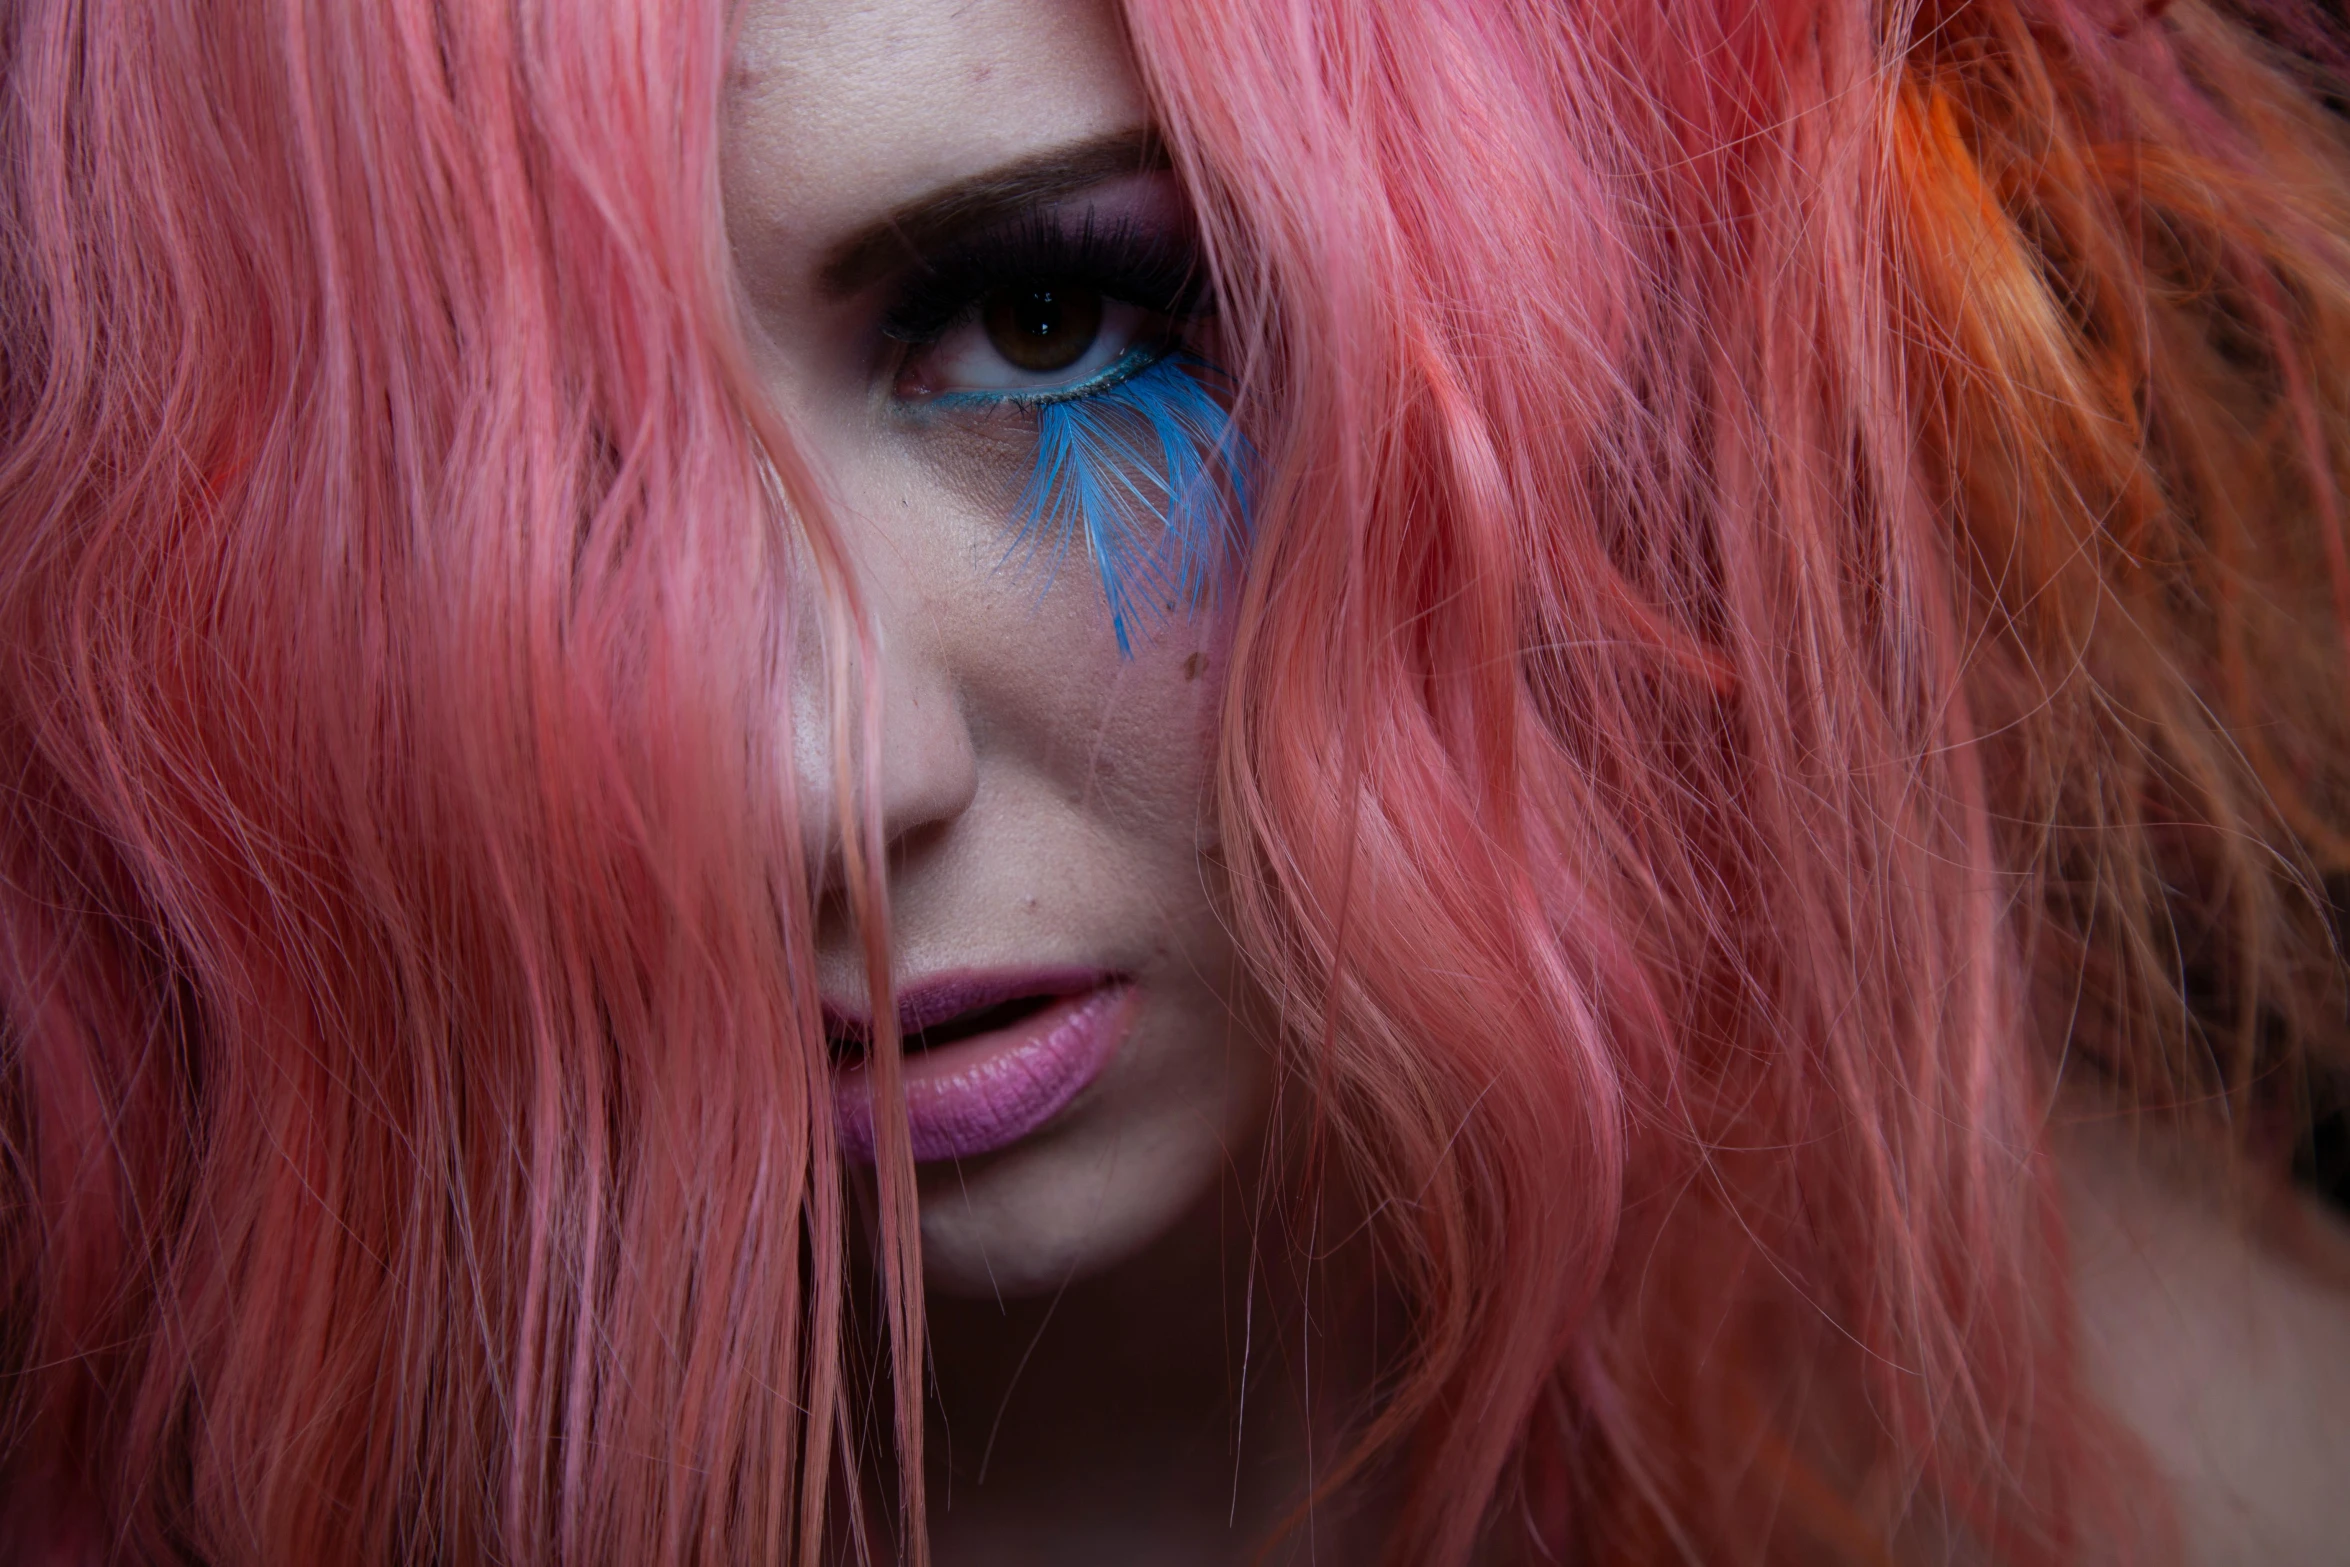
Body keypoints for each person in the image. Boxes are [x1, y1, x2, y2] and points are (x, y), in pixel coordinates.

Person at [4, 0, 2350, 1560]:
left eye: (1048, 319)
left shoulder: (2175, 1474)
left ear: (1551, 304)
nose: (799, 781)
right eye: (484, 468)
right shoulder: (181, 1447)